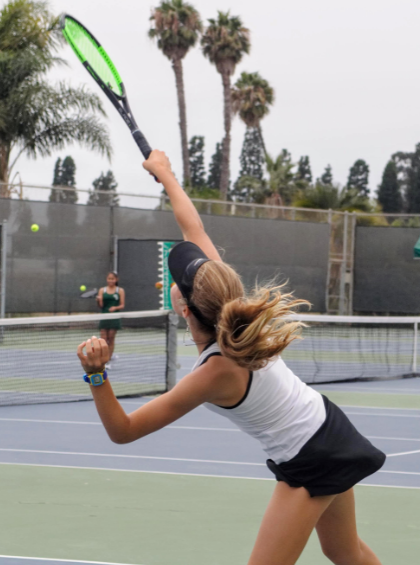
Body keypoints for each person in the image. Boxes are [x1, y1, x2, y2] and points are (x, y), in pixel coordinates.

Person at [78, 150, 385, 565]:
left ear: (184, 308)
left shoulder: (215, 369)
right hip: (328, 427)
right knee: (342, 551)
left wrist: (97, 375)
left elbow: (124, 431)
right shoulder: (228, 300)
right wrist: (166, 175)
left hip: (312, 454)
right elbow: (193, 226)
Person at [96, 271, 125, 367]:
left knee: (111, 339)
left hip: (114, 317)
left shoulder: (120, 290)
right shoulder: (102, 290)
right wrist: (99, 300)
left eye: (112, 279)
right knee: (103, 340)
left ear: (116, 280)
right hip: (104, 316)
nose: (110, 280)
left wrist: (115, 308)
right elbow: (101, 306)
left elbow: (122, 305)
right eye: (109, 279)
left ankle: (108, 360)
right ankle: (104, 358)